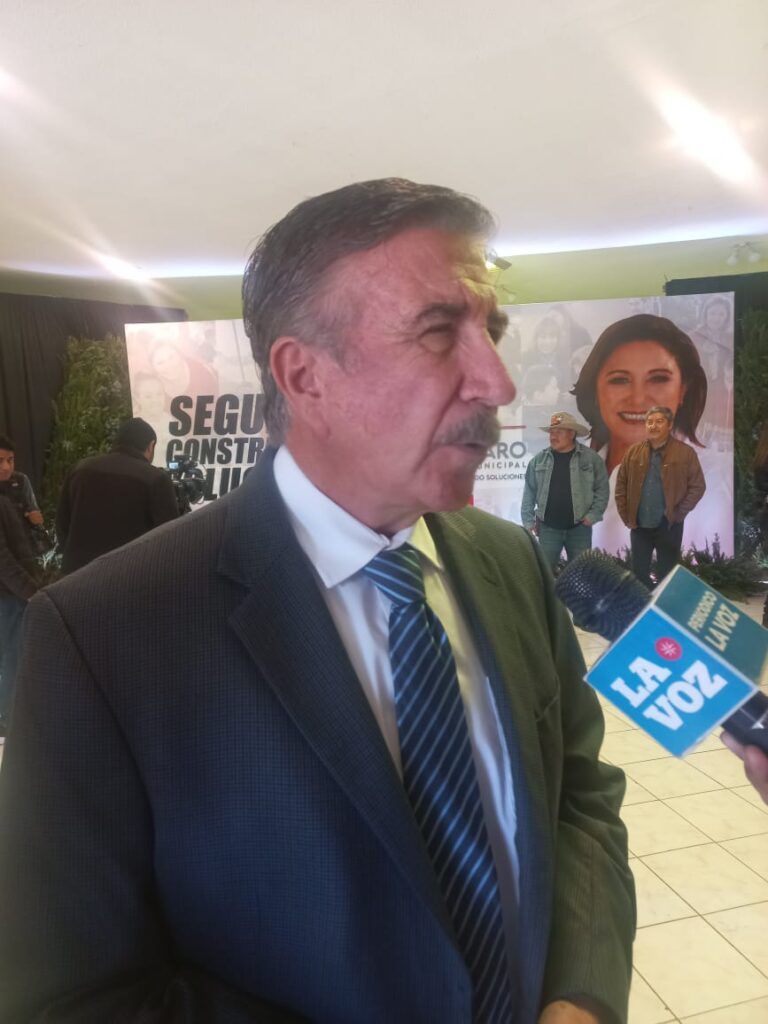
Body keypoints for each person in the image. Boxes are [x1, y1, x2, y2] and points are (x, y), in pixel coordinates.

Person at [0, 179, 634, 1024]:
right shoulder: (102, 635)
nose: (498, 382)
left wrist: (580, 996)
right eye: (439, 331)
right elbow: (71, 995)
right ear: (304, 376)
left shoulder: (510, 559)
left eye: (494, 332)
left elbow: (578, 795)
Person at [572, 313, 707, 475]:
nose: (638, 399)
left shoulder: (716, 479)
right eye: (620, 380)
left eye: (658, 379)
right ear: (595, 390)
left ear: (683, 389)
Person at [56, 416, 179, 573]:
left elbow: (62, 524)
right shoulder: (156, 478)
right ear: (151, 446)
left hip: (76, 574)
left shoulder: (80, 469)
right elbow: (168, 538)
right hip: (127, 576)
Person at [615, 405, 705, 589]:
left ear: (670, 425)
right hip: (639, 524)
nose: (653, 426)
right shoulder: (633, 452)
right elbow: (621, 486)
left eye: (659, 421)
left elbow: (698, 486)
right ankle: (646, 603)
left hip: (669, 524)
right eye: (649, 422)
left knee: (667, 574)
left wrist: (679, 513)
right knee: (639, 573)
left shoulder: (685, 453)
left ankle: (664, 604)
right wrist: (626, 516)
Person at [521, 412, 609, 572]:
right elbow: (529, 492)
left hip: (579, 529)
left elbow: (602, 489)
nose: (553, 437)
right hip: (547, 528)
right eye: (551, 432)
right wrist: (528, 521)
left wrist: (593, 515)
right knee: (545, 574)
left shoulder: (591, 459)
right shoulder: (538, 461)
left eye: (558, 432)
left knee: (582, 574)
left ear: (572, 433)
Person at [0, 491, 39, 737]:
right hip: (8, 596)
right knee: (12, 658)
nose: (6, 471)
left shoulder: (9, 496)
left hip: (10, 595)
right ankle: (8, 719)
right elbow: (2, 559)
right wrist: (30, 591)